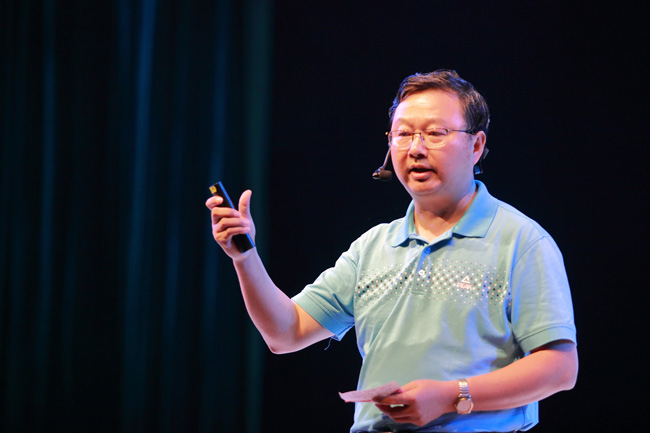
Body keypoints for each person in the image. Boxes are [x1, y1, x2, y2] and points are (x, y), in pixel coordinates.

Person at [206, 69, 578, 432]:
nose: (416, 148)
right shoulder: (373, 247)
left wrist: (451, 396)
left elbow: (560, 369)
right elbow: (285, 333)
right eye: (403, 134)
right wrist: (245, 257)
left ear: (476, 145)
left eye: (435, 133)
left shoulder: (521, 241)